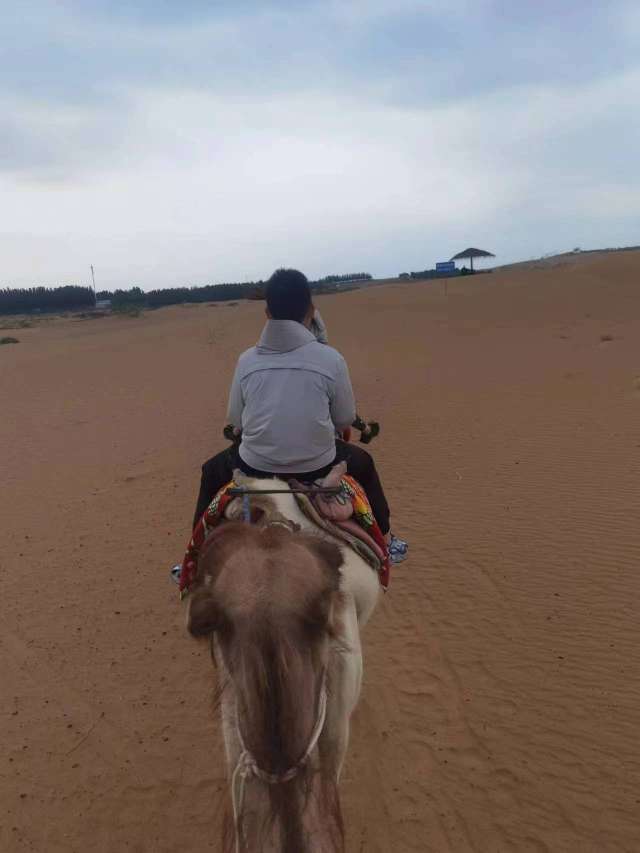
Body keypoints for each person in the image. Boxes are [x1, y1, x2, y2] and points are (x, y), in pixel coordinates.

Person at [182, 268, 407, 573]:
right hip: (320, 464)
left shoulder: (247, 361)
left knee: (211, 472)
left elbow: (236, 419)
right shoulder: (331, 359)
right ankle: (389, 541)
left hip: (253, 464)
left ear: (267, 312)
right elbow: (343, 418)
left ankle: (192, 560)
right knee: (364, 465)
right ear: (312, 311)